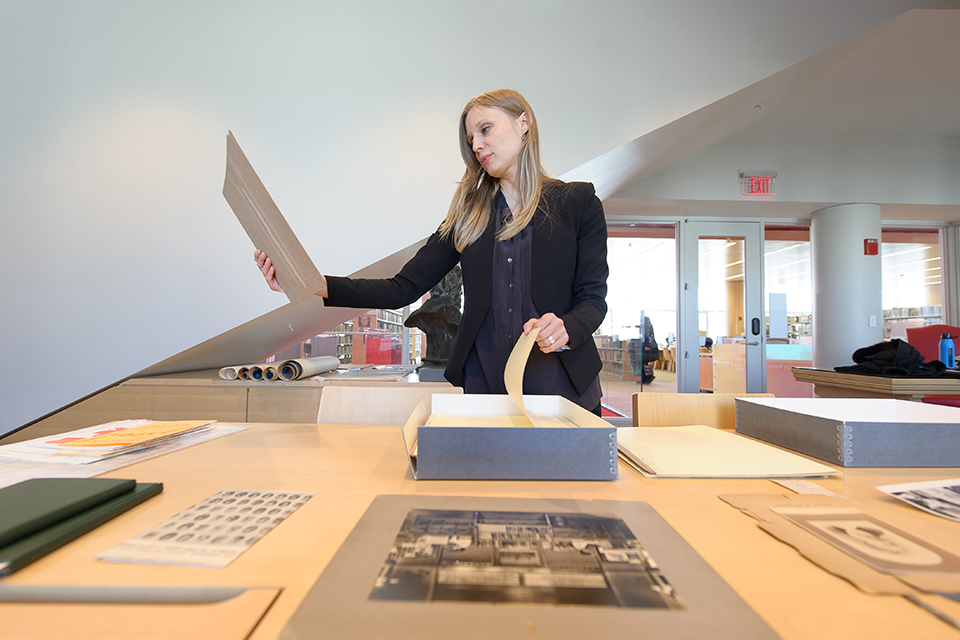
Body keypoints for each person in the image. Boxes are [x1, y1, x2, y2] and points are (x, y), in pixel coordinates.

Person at [255, 89, 608, 414]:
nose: (478, 146)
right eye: (472, 141)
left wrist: (566, 327)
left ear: (523, 124)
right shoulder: (467, 216)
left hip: (563, 386)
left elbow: (593, 299)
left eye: (485, 129)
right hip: (486, 386)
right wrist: (314, 284)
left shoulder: (577, 202)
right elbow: (402, 288)